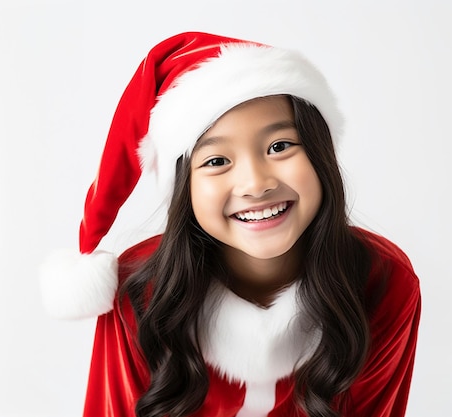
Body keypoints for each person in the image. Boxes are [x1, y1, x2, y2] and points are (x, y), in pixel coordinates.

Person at [39, 32, 421, 417]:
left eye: (279, 146)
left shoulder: (384, 280)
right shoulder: (139, 293)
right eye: (217, 161)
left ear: (320, 153)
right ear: (186, 188)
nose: (256, 184)